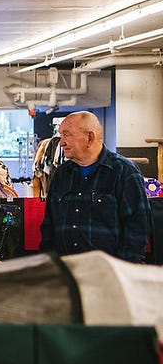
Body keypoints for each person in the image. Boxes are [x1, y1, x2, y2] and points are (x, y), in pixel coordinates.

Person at [40, 111, 151, 263]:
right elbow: (49, 226)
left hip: (108, 276)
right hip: (67, 273)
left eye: (67, 135)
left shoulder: (124, 171)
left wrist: (119, 269)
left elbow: (138, 229)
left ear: (90, 138)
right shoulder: (61, 174)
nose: (61, 142)